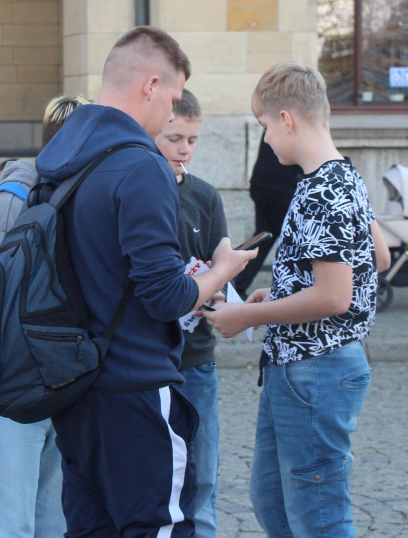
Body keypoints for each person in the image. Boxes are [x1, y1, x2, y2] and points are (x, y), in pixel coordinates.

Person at [35, 26, 254, 536]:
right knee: (159, 525)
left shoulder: (62, 160)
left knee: (91, 528)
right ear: (151, 86)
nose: (171, 112)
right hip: (135, 384)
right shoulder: (141, 166)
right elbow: (166, 296)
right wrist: (222, 271)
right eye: (174, 97)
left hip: (76, 384)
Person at [201, 60, 391, 538]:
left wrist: (249, 315)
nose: (265, 141)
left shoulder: (322, 190)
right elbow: (379, 258)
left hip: (316, 368)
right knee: (274, 500)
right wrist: (282, 292)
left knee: (317, 517)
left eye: (265, 127)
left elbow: (333, 297)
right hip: (304, 367)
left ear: (286, 119)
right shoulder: (341, 175)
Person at [0, 94, 88, 538]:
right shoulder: (11, 203)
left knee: (52, 523)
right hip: (9, 387)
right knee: (8, 526)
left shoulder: (74, 196)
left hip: (56, 383)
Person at [152, 88, 226, 538]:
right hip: (148, 360)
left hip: (197, 358)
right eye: (175, 138)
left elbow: (220, 266)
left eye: (193, 140)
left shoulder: (206, 197)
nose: (184, 150)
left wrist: (224, 291)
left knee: (203, 475)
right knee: (152, 475)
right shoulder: (138, 190)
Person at [233, 128, 302, 296]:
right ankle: (289, 291)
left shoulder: (274, 118)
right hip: (282, 190)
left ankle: (235, 282)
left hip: (263, 186)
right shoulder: (296, 119)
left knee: (263, 238)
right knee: (292, 242)